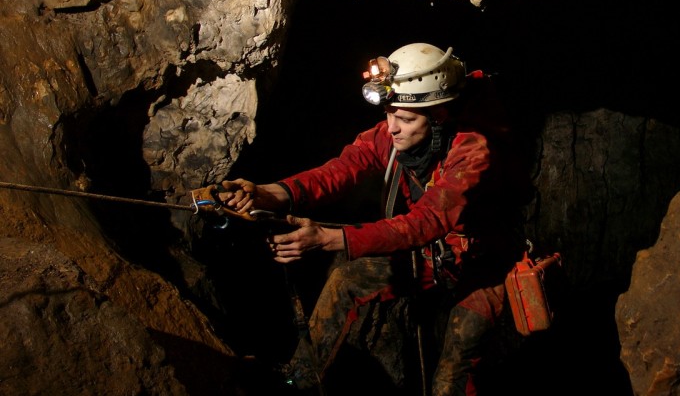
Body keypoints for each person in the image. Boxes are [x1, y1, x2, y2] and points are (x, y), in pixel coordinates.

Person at [219, 43, 532, 396]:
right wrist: (269, 193)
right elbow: (340, 171)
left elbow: (424, 223)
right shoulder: (392, 136)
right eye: (388, 113)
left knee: (450, 380)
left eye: (406, 118)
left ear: (440, 114)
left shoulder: (473, 153)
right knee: (345, 280)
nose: (392, 128)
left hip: (483, 267)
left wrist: (327, 238)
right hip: (434, 257)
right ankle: (300, 380)